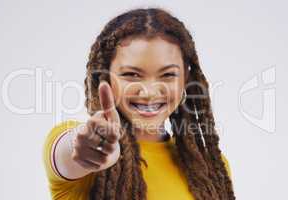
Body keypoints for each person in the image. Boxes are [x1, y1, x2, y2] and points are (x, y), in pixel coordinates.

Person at [43, 7, 236, 200]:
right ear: (106, 77)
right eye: (131, 75)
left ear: (185, 78)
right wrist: (88, 149)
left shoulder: (209, 169)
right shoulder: (81, 145)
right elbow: (67, 152)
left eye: (168, 75)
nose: (149, 92)